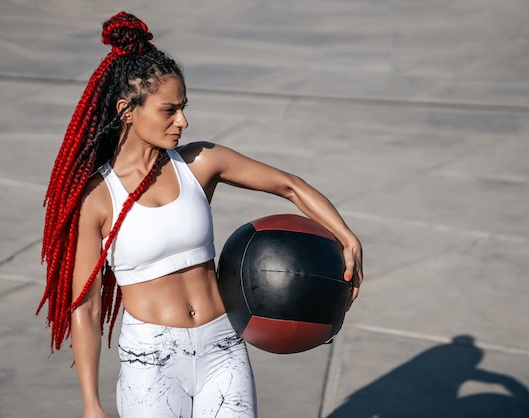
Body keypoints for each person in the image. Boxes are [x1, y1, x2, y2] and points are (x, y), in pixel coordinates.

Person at [37, 11, 363, 418]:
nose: (183, 121)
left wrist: (347, 237)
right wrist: (91, 404)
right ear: (127, 110)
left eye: (184, 108)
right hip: (151, 363)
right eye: (169, 110)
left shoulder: (198, 164)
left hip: (222, 347)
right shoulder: (98, 198)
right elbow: (84, 305)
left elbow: (289, 185)